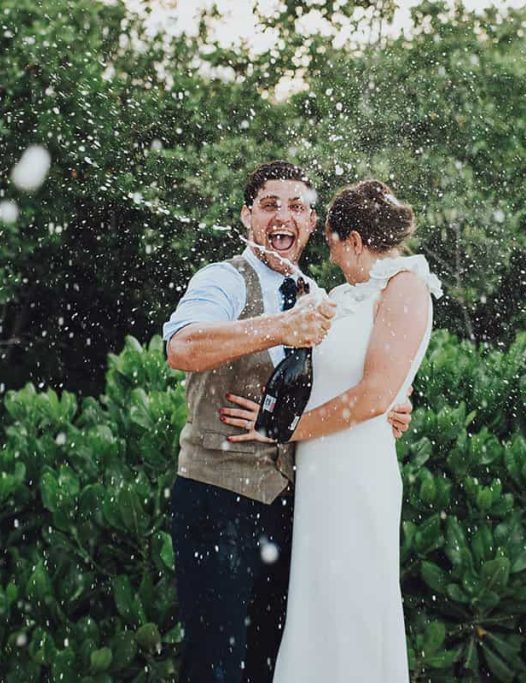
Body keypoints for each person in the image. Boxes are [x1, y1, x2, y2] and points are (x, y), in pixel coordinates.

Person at [163, 161, 413, 683]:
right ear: (247, 216)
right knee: (214, 664)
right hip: (218, 496)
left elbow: (339, 383)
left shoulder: (318, 294)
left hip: (294, 504)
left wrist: (381, 408)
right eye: (270, 205)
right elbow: (182, 348)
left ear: (311, 221)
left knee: (272, 664)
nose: (283, 216)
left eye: (297, 207)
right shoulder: (222, 279)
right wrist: (280, 325)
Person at [221, 179, 442, 682]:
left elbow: (372, 396)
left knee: (351, 607)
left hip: (356, 473)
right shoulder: (344, 294)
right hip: (319, 474)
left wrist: (281, 431)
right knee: (316, 603)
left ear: (356, 241)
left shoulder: (406, 284)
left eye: (334, 242)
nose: (331, 252)